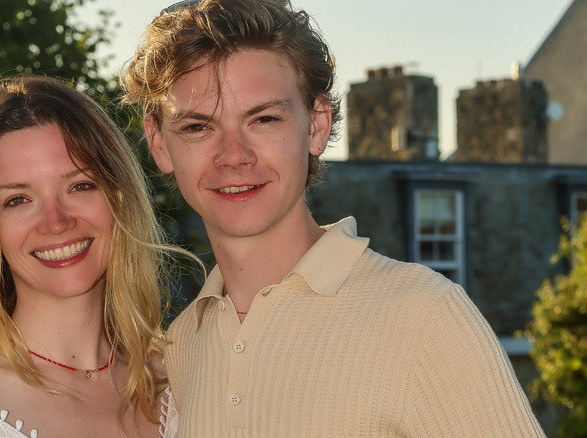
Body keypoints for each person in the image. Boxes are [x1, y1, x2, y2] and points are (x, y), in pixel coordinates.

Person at [120, 0, 545, 436]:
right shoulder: (178, 351)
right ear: (158, 143)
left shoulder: (424, 316)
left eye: (264, 119)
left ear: (318, 125)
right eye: (197, 127)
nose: (234, 156)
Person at [0, 75, 180, 438]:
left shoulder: (186, 382)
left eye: (80, 185)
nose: (56, 223)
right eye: (18, 200)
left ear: (120, 199)